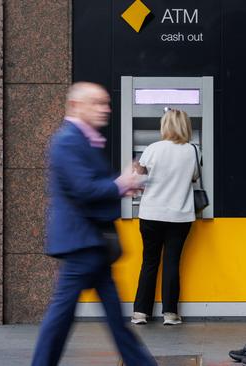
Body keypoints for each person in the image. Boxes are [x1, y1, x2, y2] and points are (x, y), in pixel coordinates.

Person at [31, 82, 156, 366]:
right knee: (63, 315)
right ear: (76, 106)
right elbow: (84, 189)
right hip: (81, 242)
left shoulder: (84, 140)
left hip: (92, 242)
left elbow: (93, 187)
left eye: (106, 103)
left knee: (112, 317)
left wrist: (123, 186)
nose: (105, 109)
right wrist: (120, 183)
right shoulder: (67, 141)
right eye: (97, 103)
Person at [130, 109, 199, 326]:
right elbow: (195, 177)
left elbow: (138, 176)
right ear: (185, 126)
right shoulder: (192, 150)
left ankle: (141, 313)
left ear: (165, 126)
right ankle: (170, 313)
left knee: (149, 261)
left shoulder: (152, 149)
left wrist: (138, 168)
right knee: (171, 262)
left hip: (151, 214)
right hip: (180, 216)